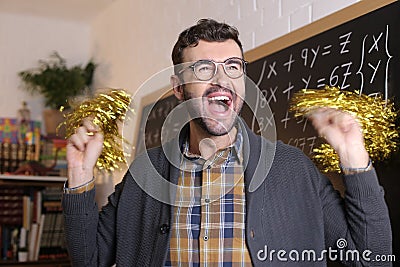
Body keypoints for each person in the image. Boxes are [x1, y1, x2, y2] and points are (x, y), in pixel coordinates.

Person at [62, 19, 392, 266]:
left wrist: (353, 156)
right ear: (178, 88)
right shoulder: (144, 174)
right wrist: (79, 175)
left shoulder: (294, 169)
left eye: (233, 67)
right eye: (204, 68)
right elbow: (89, 260)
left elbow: (371, 259)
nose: (223, 80)